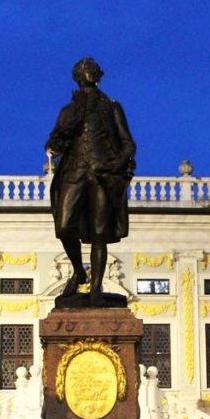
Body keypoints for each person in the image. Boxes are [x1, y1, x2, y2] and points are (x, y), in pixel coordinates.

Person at [45, 57, 136, 305]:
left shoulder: (111, 108)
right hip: (73, 173)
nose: (89, 73)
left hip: (101, 175)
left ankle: (96, 290)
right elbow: (54, 142)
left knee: (99, 233)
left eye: (92, 70)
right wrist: (54, 143)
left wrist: (115, 165)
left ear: (98, 76)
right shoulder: (68, 111)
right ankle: (79, 271)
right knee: (63, 226)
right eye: (85, 70)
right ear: (78, 76)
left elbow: (128, 143)